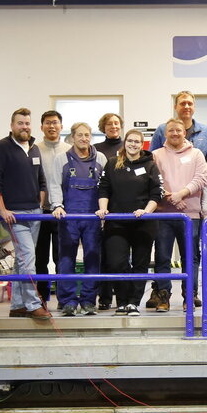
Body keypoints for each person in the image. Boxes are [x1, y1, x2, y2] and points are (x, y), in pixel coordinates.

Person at [0, 108, 52, 320]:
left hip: (35, 213)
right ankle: (33, 304)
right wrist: (2, 209)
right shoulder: (1, 148)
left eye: (27, 123)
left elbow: (41, 180)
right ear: (12, 125)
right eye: (20, 123)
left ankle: (18, 305)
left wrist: (40, 204)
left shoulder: (34, 148)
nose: (24, 127)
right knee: (28, 259)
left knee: (21, 260)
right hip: (14, 214)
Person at [95, 129, 161, 316]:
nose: (133, 144)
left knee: (140, 265)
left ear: (142, 145)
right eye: (130, 141)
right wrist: (103, 209)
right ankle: (122, 302)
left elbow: (157, 193)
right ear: (125, 143)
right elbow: (104, 189)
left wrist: (146, 211)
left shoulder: (150, 165)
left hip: (143, 223)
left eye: (137, 142)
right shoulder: (112, 163)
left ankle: (133, 303)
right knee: (116, 263)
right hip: (117, 223)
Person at [150, 119, 207, 312]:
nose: (175, 133)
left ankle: (189, 296)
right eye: (171, 130)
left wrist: (181, 194)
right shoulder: (156, 155)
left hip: (190, 215)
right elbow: (154, 182)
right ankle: (163, 297)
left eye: (178, 130)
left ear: (185, 133)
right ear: (165, 133)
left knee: (190, 258)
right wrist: (172, 198)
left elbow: (201, 178)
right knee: (162, 257)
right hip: (163, 215)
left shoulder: (196, 154)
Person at [55, 122, 105, 316]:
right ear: (72, 137)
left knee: (92, 258)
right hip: (69, 217)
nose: (84, 138)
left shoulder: (100, 158)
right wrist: (57, 205)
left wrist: (104, 209)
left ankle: (88, 301)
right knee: (66, 259)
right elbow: (54, 184)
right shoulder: (62, 159)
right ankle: (67, 301)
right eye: (80, 135)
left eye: (87, 135)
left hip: (93, 217)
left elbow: (106, 186)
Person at [35, 109, 69, 303]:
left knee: (61, 257)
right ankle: (41, 297)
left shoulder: (69, 150)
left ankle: (64, 298)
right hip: (39, 212)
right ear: (42, 127)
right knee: (40, 258)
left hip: (62, 212)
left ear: (61, 126)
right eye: (48, 123)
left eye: (55, 122)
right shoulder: (34, 149)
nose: (52, 126)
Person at [93, 111, 124, 311]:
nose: (113, 126)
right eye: (109, 124)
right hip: (103, 208)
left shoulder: (128, 146)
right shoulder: (96, 149)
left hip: (123, 208)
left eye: (116, 123)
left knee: (121, 259)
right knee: (104, 255)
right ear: (103, 128)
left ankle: (123, 298)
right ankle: (104, 297)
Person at [150, 90, 207, 158]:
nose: (186, 106)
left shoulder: (205, 131)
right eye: (183, 103)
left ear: (194, 107)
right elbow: (152, 158)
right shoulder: (162, 129)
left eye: (190, 104)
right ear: (175, 107)